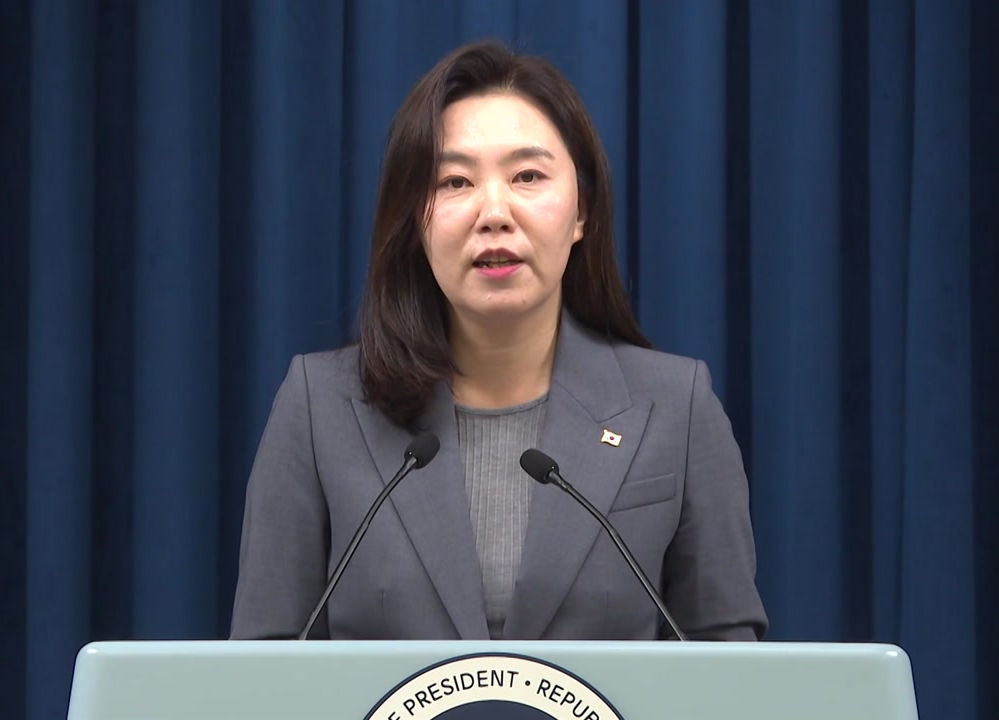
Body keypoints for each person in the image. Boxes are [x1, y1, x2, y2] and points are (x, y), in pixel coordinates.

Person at [230, 40, 767, 642]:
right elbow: (263, 665)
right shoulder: (319, 409)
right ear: (413, 220)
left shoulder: (676, 409)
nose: (494, 212)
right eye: (455, 181)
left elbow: (729, 668)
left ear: (582, 211)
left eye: (527, 176)